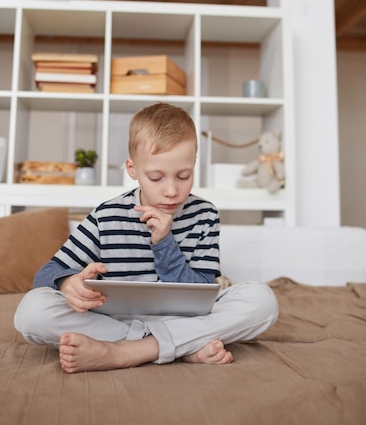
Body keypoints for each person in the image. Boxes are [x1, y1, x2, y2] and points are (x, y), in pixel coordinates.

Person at [14, 102, 278, 373]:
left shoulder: (205, 214)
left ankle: (128, 351)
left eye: (183, 176)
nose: (172, 190)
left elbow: (202, 292)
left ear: (193, 164)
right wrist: (68, 283)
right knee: (31, 311)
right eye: (156, 177)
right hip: (118, 321)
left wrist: (164, 243)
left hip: (184, 319)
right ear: (132, 169)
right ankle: (181, 346)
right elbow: (45, 274)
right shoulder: (106, 215)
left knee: (262, 300)